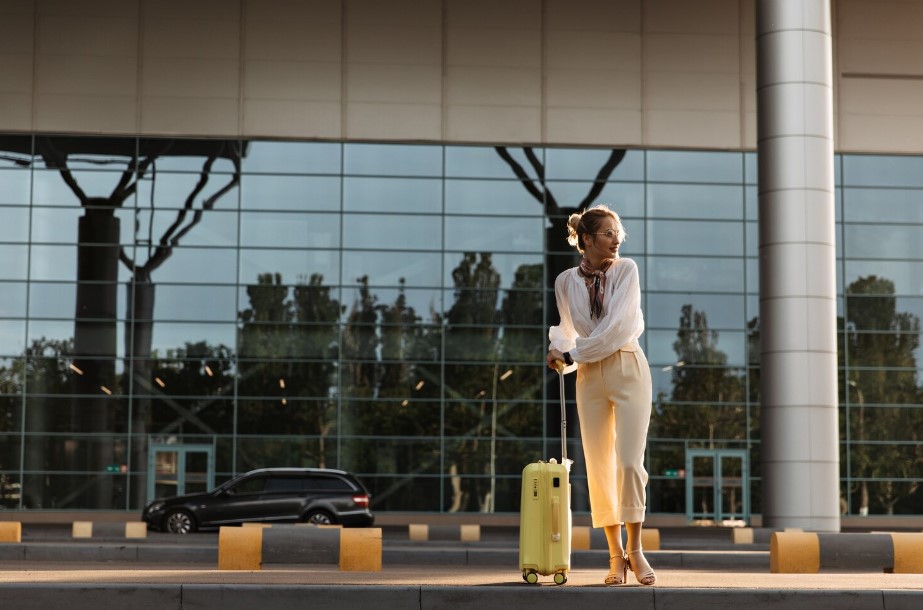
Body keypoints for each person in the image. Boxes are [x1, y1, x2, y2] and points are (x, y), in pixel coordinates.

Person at [545, 204, 655, 586]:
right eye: (608, 233)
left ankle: (636, 550)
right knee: (598, 467)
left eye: (617, 232)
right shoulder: (564, 282)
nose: (616, 238)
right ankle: (615, 557)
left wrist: (573, 353)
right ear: (587, 239)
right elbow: (566, 329)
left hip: (627, 367)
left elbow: (617, 328)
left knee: (628, 463)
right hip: (589, 377)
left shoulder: (626, 270)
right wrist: (559, 351)